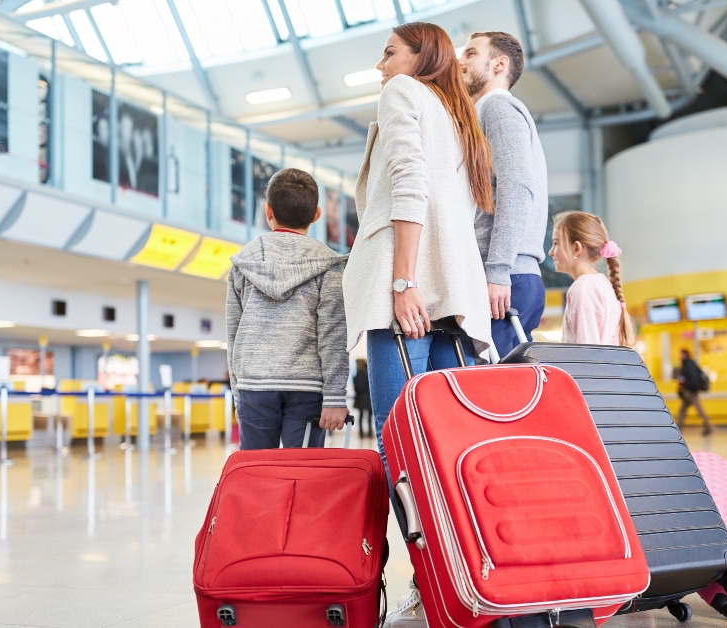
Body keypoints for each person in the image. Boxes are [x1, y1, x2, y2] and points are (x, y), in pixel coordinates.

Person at [343, 21, 495, 471]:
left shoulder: (402, 91)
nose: (381, 65)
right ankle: (457, 541)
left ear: (421, 57)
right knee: (456, 436)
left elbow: (410, 187)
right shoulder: (457, 114)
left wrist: (404, 280)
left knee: (400, 437)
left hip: (411, 287)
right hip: (456, 290)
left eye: (390, 53)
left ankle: (421, 542)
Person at [225, 168, 349, 449]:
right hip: (307, 389)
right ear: (317, 215)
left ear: (268, 211)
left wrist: (238, 392)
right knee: (302, 476)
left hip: (253, 386)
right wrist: (334, 397)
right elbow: (333, 335)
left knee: (257, 474)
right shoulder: (329, 266)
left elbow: (233, 334)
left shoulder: (243, 264)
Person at [459, 31, 549, 356]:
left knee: (490, 398)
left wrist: (497, 269)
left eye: (470, 53)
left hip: (505, 275)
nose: (460, 61)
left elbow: (516, 186)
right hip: (511, 274)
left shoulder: (496, 107)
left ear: (500, 64)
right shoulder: (486, 111)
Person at [548, 211, 635, 346]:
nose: (551, 252)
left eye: (556, 243)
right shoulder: (602, 284)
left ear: (576, 248)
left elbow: (587, 355)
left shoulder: (582, 288)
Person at [675, 348, 713, 436]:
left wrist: (690, 389)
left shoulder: (688, 364)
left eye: (680, 354)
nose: (679, 356)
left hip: (690, 392)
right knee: (682, 411)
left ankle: (708, 427)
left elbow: (692, 378)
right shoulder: (688, 364)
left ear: (684, 355)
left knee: (699, 410)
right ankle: (678, 429)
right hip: (688, 392)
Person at [353, 359, 373, 438]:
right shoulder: (369, 374)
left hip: (360, 398)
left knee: (361, 416)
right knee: (369, 417)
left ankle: (361, 434)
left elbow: (357, 388)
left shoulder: (358, 375)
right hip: (369, 398)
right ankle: (370, 433)